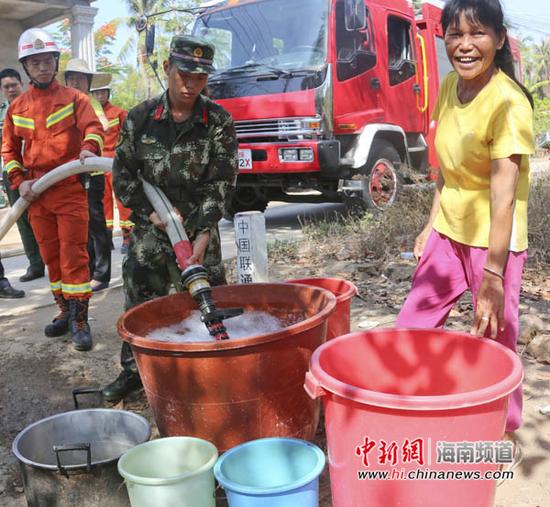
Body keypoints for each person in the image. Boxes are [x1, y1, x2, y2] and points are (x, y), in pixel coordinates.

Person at [396, 0, 534, 437]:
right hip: (447, 233)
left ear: (498, 38)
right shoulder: (450, 86)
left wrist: (493, 273)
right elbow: (445, 172)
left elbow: (504, 198)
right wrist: (428, 225)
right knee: (412, 326)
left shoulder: (509, 103)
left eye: (477, 34)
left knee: (494, 342)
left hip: (494, 244)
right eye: (455, 34)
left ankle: (503, 431)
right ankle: (411, 407)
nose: (465, 45)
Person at [102, 34, 238, 401]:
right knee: (141, 302)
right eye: (184, 74)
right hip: (152, 230)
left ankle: (214, 371)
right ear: (167, 69)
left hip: (199, 232)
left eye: (200, 77)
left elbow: (222, 182)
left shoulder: (218, 121)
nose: (191, 83)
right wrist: (151, 213)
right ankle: (134, 372)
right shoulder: (141, 118)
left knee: (207, 302)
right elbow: (123, 176)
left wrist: (205, 231)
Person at [2, 28, 105, 350]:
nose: (42, 67)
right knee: (50, 258)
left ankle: (80, 320)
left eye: (47, 61)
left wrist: (89, 148)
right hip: (35, 194)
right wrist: (20, 182)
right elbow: (8, 151)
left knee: (74, 255)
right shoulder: (16, 108)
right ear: (26, 67)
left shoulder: (76, 99)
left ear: (55, 62)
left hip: (69, 188)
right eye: (35, 63)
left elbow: (94, 128)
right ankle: (64, 312)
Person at [65, 58, 112, 292]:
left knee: (95, 223)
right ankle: (90, 270)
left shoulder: (90, 103)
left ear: (88, 82)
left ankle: (102, 275)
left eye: (81, 78)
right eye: (72, 77)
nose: (76, 81)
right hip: (70, 174)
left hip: (90, 172)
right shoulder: (64, 103)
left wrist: (87, 147)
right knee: (80, 226)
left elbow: (100, 129)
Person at [0, 67, 45, 282]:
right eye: (6, 87)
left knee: (45, 215)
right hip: (11, 173)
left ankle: (52, 260)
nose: (10, 90)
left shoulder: (36, 105)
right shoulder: (2, 113)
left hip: (39, 171)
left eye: (13, 85)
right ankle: (35, 264)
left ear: (22, 83)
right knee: (21, 220)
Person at [90, 81, 133, 255]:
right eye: (96, 93)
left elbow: (129, 135)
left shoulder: (119, 113)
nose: (100, 96)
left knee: (123, 201)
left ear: (108, 93)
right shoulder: (90, 114)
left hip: (115, 163)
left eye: (103, 92)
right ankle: (106, 240)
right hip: (98, 164)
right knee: (103, 203)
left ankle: (127, 238)